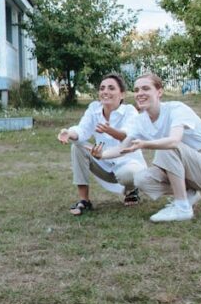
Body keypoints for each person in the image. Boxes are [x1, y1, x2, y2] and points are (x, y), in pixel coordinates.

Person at [92, 73, 201, 223]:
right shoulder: (140, 120)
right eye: (136, 90)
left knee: (167, 147)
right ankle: (189, 193)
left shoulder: (176, 109)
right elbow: (123, 147)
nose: (140, 94)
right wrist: (102, 155)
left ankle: (182, 207)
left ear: (159, 92)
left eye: (145, 89)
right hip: (188, 172)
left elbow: (174, 141)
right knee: (141, 179)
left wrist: (145, 144)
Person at [57, 73, 147, 215]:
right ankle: (84, 200)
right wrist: (69, 133)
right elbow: (82, 130)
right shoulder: (94, 109)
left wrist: (111, 131)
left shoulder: (130, 111)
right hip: (104, 164)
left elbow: (127, 136)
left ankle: (131, 190)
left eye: (111, 88)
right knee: (77, 146)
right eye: (102, 88)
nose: (105, 91)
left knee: (129, 174)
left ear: (122, 94)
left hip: (127, 166)